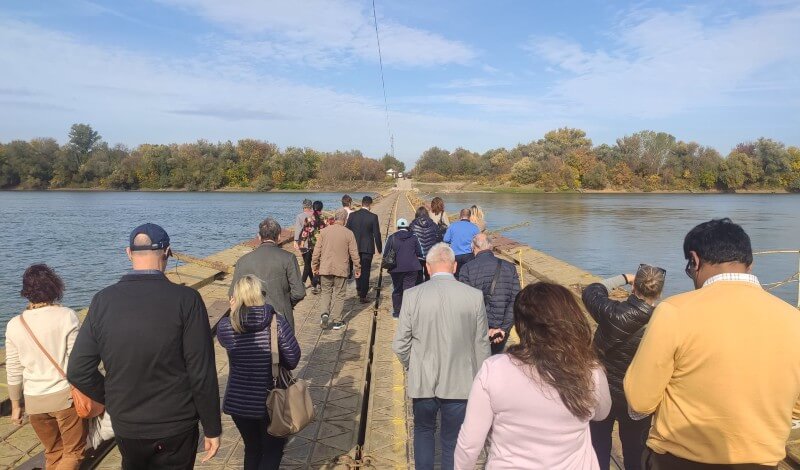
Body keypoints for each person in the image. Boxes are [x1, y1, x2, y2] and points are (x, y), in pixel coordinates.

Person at [625, 218, 800, 469]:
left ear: (694, 261)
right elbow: (796, 410)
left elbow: (640, 401)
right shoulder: (795, 320)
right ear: (749, 264)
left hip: (679, 460)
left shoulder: (673, 311)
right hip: (763, 462)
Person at [68, 223, 221, 469]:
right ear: (167, 252)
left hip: (127, 424)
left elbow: (77, 369)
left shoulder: (103, 300)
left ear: (128, 253)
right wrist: (212, 427)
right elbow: (201, 372)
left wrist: (112, 398)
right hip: (176, 422)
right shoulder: (187, 300)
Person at [455, 282, 612, 469]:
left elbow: (469, 444)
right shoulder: (589, 370)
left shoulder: (494, 370)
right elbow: (602, 414)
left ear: (521, 326)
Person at [393, 243, 490, 470]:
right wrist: (479, 380)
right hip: (460, 382)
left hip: (423, 381)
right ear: (455, 266)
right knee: (452, 440)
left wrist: (414, 364)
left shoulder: (412, 295)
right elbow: (482, 344)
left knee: (424, 432)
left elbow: (400, 345)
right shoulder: (474, 297)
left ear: (427, 267)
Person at [582, 265, 665, 470]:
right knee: (635, 450)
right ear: (659, 292)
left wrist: (624, 277)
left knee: (598, 443)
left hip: (601, 390)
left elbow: (592, 290)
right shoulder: (662, 324)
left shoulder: (610, 312)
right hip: (636, 398)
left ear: (633, 287)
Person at [5, 264, 86, 469]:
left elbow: (13, 368)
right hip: (65, 398)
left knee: (53, 453)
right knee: (73, 454)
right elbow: (78, 360)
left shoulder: (15, 324)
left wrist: (16, 406)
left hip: (34, 403)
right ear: (54, 286)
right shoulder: (66, 316)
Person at [217, 275, 301, 470]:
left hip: (238, 402)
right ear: (261, 295)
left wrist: (233, 311)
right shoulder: (276, 322)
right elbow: (293, 359)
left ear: (235, 297)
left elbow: (226, 341)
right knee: (272, 450)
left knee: (252, 448)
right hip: (269, 399)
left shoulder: (225, 325)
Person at [228, 217, 305, 331]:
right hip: (280, 318)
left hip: (249, 319)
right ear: (279, 236)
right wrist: (286, 302)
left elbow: (232, 294)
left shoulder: (242, 261)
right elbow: (299, 292)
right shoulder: (288, 258)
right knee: (283, 347)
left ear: (259, 236)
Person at [458, 233, 520, 355]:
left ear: (473, 248)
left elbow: (464, 303)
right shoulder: (509, 268)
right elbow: (516, 300)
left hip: (477, 329)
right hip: (500, 331)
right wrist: (503, 329)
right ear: (491, 247)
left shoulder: (466, 269)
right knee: (495, 361)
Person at [313, 209, 361, 330]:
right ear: (345, 220)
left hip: (325, 268)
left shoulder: (324, 232)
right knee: (339, 295)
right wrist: (357, 267)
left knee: (326, 292)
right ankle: (337, 321)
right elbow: (354, 253)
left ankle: (324, 314)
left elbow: (316, 252)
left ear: (334, 218)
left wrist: (315, 266)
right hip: (341, 268)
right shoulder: (349, 233)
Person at [345, 195, 382, 303]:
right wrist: (379, 248)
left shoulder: (352, 215)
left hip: (354, 247)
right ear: (370, 204)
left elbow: (347, 231)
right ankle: (363, 295)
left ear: (361, 203)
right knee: (366, 271)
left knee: (357, 268)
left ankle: (358, 288)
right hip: (367, 248)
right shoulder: (373, 217)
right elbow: (377, 234)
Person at [384, 218, 423, 317]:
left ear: (397, 227)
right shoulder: (414, 237)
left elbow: (386, 253)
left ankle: (397, 313)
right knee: (409, 290)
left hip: (396, 268)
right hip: (412, 267)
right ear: (407, 227)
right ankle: (409, 313)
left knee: (397, 290)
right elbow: (419, 252)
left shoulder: (392, 237)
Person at [298, 200, 327, 294]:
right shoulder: (325, 218)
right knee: (321, 264)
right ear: (321, 208)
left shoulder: (309, 219)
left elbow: (305, 232)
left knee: (313, 264)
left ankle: (315, 284)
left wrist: (301, 245)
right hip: (323, 246)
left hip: (311, 246)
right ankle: (317, 283)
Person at [443, 209, 480, 277]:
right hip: (469, 254)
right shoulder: (475, 228)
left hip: (455, 254)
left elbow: (446, 239)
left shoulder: (452, 225)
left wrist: (454, 241)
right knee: (468, 275)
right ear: (470, 216)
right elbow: (478, 242)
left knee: (455, 275)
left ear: (460, 216)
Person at [409, 206, 441, 283]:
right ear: (427, 214)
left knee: (418, 276)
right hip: (430, 255)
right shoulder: (433, 225)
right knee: (429, 275)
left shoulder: (412, 225)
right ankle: (428, 290)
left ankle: (419, 289)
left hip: (417, 256)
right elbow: (438, 238)